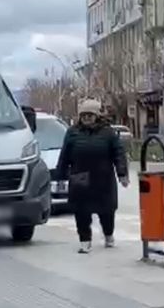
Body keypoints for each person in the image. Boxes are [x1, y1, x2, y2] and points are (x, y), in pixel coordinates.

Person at [55, 98, 128, 253]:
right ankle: (85, 241)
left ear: (97, 116)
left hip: (103, 178)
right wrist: (60, 175)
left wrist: (122, 173)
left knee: (107, 211)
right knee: (81, 211)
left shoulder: (108, 133)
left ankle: (108, 234)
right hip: (80, 177)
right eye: (84, 115)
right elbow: (65, 155)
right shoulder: (72, 132)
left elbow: (118, 154)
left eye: (90, 115)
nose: (87, 118)